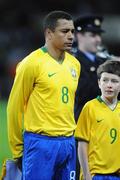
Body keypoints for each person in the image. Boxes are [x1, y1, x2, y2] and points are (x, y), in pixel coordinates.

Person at [7, 10, 80, 180]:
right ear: (49, 33)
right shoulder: (31, 63)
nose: (71, 36)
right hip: (40, 143)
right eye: (65, 31)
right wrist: (18, 150)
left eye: (72, 31)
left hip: (68, 143)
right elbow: (14, 107)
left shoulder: (74, 64)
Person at [75, 59, 120, 180]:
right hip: (95, 175)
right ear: (99, 83)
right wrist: (86, 175)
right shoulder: (90, 107)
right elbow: (82, 144)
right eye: (105, 80)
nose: (109, 85)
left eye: (114, 81)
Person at [73, 14, 107, 121]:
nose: (98, 40)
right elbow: (82, 94)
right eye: (93, 35)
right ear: (79, 36)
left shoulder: (104, 61)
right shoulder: (72, 62)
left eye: (99, 35)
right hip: (84, 124)